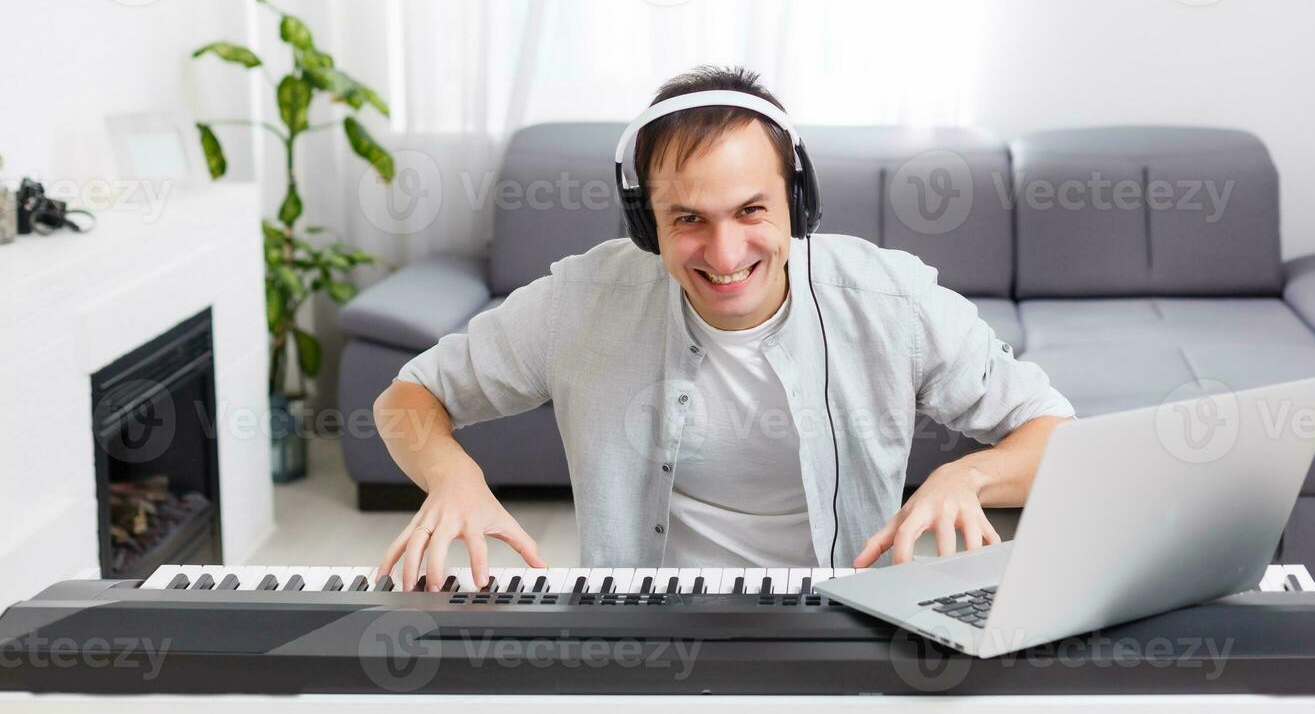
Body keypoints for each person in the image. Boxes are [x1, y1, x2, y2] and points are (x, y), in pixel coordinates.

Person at [374, 66, 1075, 591]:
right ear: (646, 223)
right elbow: (407, 398)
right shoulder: (581, 300)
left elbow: (1054, 432)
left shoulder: (891, 301)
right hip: (642, 640)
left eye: (750, 211)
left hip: (846, 630)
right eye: (688, 219)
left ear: (798, 203)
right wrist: (452, 477)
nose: (725, 252)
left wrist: (968, 475)